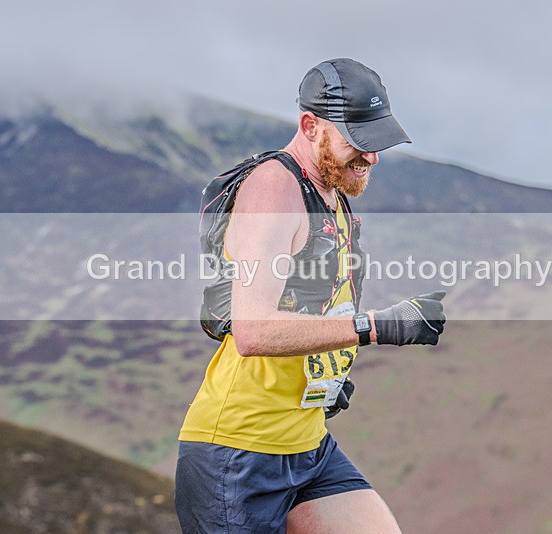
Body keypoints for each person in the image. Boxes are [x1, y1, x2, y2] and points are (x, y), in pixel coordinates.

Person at [175, 58, 446, 533]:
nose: (372, 158)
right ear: (310, 126)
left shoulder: (333, 194)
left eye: (378, 144)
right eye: (359, 144)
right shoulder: (274, 189)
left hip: (306, 444)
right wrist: (376, 327)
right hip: (238, 453)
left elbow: (312, 306)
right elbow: (253, 331)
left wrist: (322, 378)